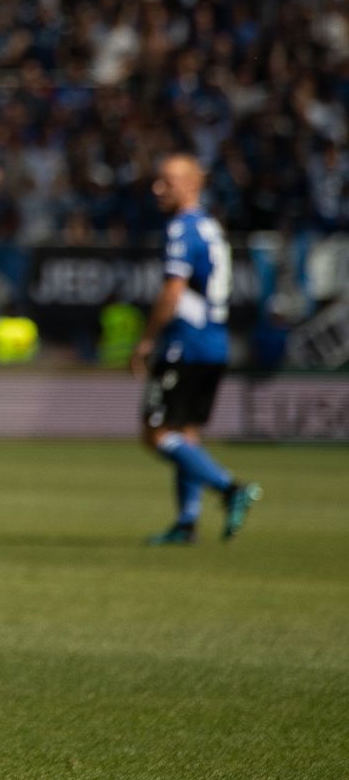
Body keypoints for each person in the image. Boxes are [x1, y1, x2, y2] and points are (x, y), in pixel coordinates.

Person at [132, 153, 262, 544]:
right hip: (215, 341)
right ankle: (187, 522)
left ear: (192, 185)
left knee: (154, 432)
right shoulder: (210, 226)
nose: (158, 189)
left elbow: (173, 290)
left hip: (186, 343)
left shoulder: (181, 229)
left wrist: (147, 339)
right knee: (186, 433)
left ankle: (228, 487)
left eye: (166, 182)